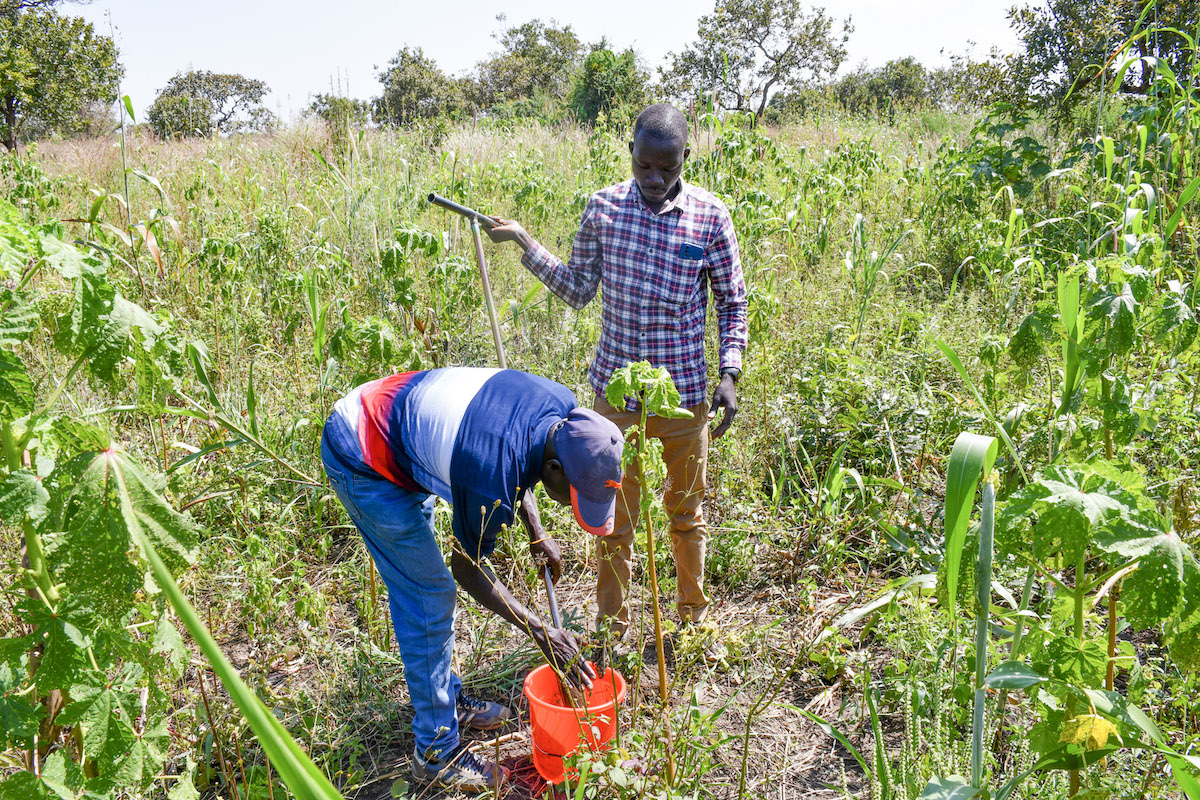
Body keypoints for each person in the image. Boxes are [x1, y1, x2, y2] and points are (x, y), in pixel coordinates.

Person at [486, 103, 749, 643]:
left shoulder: (710, 216)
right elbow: (579, 288)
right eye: (644, 167)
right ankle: (612, 630)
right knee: (611, 520)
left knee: (686, 513)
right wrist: (524, 242)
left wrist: (729, 371)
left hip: (683, 399)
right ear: (630, 154)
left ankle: (692, 622)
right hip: (615, 400)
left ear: (685, 159)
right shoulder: (603, 209)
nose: (655, 180)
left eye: (667, 169)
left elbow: (732, 301)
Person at [320, 367, 624, 791]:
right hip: (363, 450)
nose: (572, 503)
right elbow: (466, 568)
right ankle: (436, 752)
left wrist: (535, 527)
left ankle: (445, 699)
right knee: (429, 594)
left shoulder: (560, 409)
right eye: (572, 493)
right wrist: (541, 631)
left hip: (402, 433)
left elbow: (524, 453)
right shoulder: (489, 474)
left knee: (428, 585)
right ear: (556, 467)